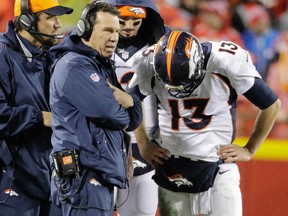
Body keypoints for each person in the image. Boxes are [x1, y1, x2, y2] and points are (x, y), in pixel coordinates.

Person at [128, 30, 281, 216]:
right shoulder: (147, 62)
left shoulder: (224, 61)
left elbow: (271, 104)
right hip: (171, 162)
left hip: (218, 162)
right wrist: (143, 143)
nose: (178, 91)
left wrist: (250, 149)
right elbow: (132, 103)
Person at [49, 1, 142, 216]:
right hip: (83, 177)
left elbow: (133, 120)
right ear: (85, 30)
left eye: (117, 31)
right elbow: (113, 115)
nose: (114, 37)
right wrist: (127, 106)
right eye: (108, 30)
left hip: (96, 173)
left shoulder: (99, 65)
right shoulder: (75, 65)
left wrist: (131, 102)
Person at [0, 0, 73, 215]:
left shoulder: (53, 55)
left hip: (53, 177)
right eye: (50, 17)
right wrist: (39, 117)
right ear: (26, 20)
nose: (59, 24)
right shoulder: (2, 56)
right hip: (14, 182)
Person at [105, 1, 167, 216]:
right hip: (101, 142)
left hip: (145, 143)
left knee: (141, 211)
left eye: (136, 21)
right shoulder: (87, 43)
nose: (129, 26)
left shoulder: (161, 45)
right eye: (122, 21)